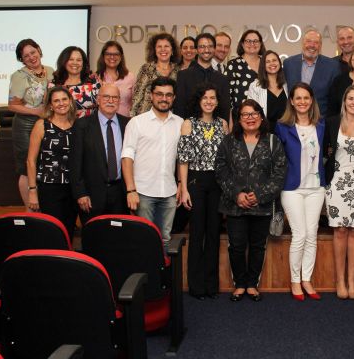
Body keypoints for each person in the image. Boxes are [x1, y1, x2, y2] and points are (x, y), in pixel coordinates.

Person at [215, 99, 287, 302]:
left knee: (257, 246)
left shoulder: (272, 141)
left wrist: (261, 194)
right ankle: (239, 284)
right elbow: (221, 171)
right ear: (239, 119)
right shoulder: (228, 142)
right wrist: (236, 194)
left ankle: (252, 284)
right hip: (234, 205)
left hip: (261, 206)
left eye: (254, 113)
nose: (250, 118)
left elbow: (280, 173)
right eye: (245, 114)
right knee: (236, 246)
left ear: (261, 117)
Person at [178, 82, 229, 300]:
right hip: (195, 181)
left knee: (214, 233)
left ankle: (211, 285)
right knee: (197, 233)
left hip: (217, 182)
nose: (209, 101)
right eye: (205, 97)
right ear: (199, 100)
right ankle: (196, 286)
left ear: (217, 102)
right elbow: (183, 159)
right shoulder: (188, 124)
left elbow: (227, 160)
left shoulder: (223, 124)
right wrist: (184, 188)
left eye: (213, 98)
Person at [275, 82, 326, 301]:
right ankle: (295, 281)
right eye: (298, 98)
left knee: (312, 234)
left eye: (306, 98)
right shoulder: (282, 126)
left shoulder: (321, 125)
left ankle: (307, 279)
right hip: (292, 188)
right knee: (300, 235)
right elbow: (277, 159)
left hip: (316, 187)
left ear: (312, 100)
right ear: (292, 101)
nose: (302, 102)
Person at [121, 77, 183, 247]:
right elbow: (127, 157)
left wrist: (180, 183)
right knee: (143, 241)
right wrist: (131, 190)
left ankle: (162, 267)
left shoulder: (180, 123)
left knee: (165, 241)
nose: (164, 98)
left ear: (174, 97)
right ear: (151, 96)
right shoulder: (136, 123)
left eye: (168, 95)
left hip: (169, 193)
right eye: (159, 94)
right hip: (142, 193)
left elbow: (181, 157)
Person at [323, 85, 354, 300]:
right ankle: (339, 280)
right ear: (344, 101)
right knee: (340, 231)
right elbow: (324, 152)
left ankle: (352, 281)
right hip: (337, 182)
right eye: (350, 98)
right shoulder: (332, 123)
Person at [70, 84, 129, 225]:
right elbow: (75, 163)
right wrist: (80, 193)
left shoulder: (128, 124)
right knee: (94, 235)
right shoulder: (82, 125)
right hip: (91, 195)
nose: (110, 101)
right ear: (98, 99)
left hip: (120, 194)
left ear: (119, 100)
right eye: (106, 97)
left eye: (115, 97)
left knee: (119, 234)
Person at [8, 38, 54, 209]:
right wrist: (36, 112)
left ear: (39, 50)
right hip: (25, 126)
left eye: (33, 52)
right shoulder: (19, 76)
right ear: (22, 59)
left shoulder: (51, 71)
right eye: (26, 56)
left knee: (44, 166)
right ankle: (30, 211)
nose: (31, 57)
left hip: (47, 124)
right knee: (27, 168)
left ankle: (44, 208)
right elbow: (12, 105)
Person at [26, 86, 77, 238]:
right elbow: (30, 161)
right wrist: (32, 190)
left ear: (70, 101)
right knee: (52, 231)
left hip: (73, 188)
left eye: (64, 99)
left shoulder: (78, 125)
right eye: (56, 101)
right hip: (49, 187)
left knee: (68, 230)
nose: (61, 103)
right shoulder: (41, 125)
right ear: (50, 105)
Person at [174, 33, 231, 122]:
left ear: (214, 49)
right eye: (202, 46)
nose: (206, 50)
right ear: (196, 50)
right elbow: (179, 108)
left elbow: (225, 111)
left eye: (210, 46)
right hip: (189, 127)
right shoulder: (183, 76)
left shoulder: (223, 79)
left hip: (216, 128)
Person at [284, 29, 341, 117]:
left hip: (320, 120)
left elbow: (335, 99)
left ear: (320, 46)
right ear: (302, 43)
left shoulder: (332, 66)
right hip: (293, 119)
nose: (312, 45)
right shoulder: (289, 64)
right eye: (309, 41)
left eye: (316, 42)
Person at [130, 32, 181, 116]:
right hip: (145, 117)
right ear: (154, 50)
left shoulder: (179, 70)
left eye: (166, 46)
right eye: (159, 46)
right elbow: (137, 96)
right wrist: (132, 117)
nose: (163, 49)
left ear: (172, 50)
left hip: (169, 118)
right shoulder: (146, 69)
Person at [52, 46, 101, 118]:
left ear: (83, 63)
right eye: (71, 59)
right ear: (64, 61)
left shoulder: (94, 82)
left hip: (91, 124)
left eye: (79, 60)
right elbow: (49, 110)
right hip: (63, 124)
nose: (75, 63)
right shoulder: (53, 85)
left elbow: (102, 105)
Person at [225, 29, 266, 114]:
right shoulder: (233, 65)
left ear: (261, 44)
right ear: (242, 44)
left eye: (256, 41)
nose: (252, 44)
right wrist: (229, 118)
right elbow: (226, 95)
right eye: (248, 41)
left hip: (264, 116)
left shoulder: (266, 63)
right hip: (240, 116)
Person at [246, 50, 288, 133]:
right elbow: (251, 113)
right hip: (265, 133)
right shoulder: (255, 86)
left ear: (279, 63)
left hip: (287, 132)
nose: (272, 63)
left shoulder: (287, 84)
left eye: (274, 60)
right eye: (267, 62)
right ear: (263, 66)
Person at [95, 41, 136, 117]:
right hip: (101, 122)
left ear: (121, 57)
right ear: (103, 56)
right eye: (108, 54)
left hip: (125, 121)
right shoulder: (96, 77)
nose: (112, 57)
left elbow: (136, 103)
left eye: (116, 54)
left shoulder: (130, 77)